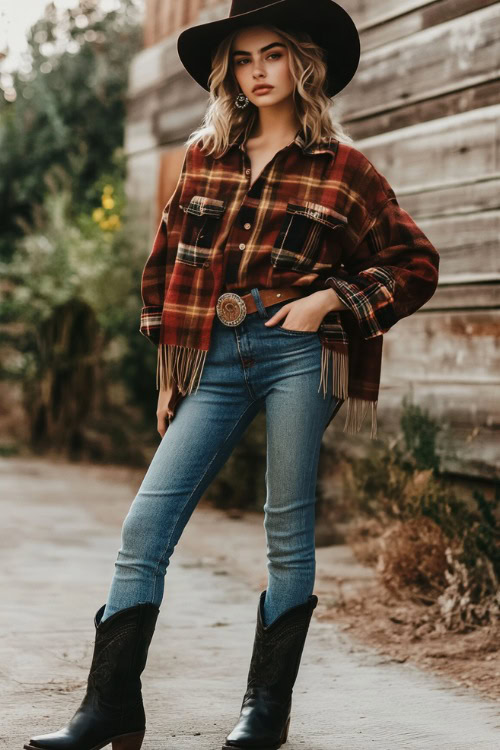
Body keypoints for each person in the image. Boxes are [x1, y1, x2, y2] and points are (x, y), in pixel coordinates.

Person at [24, 2, 439, 749]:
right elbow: (166, 266)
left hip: (297, 355)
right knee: (145, 525)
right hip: (212, 355)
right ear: (229, 74)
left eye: (273, 55)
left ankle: (264, 713)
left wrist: (329, 301)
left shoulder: (345, 169)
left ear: (301, 64)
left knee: (286, 527)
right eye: (244, 59)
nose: (258, 71)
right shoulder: (204, 156)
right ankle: (109, 706)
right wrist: (169, 368)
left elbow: (414, 263)